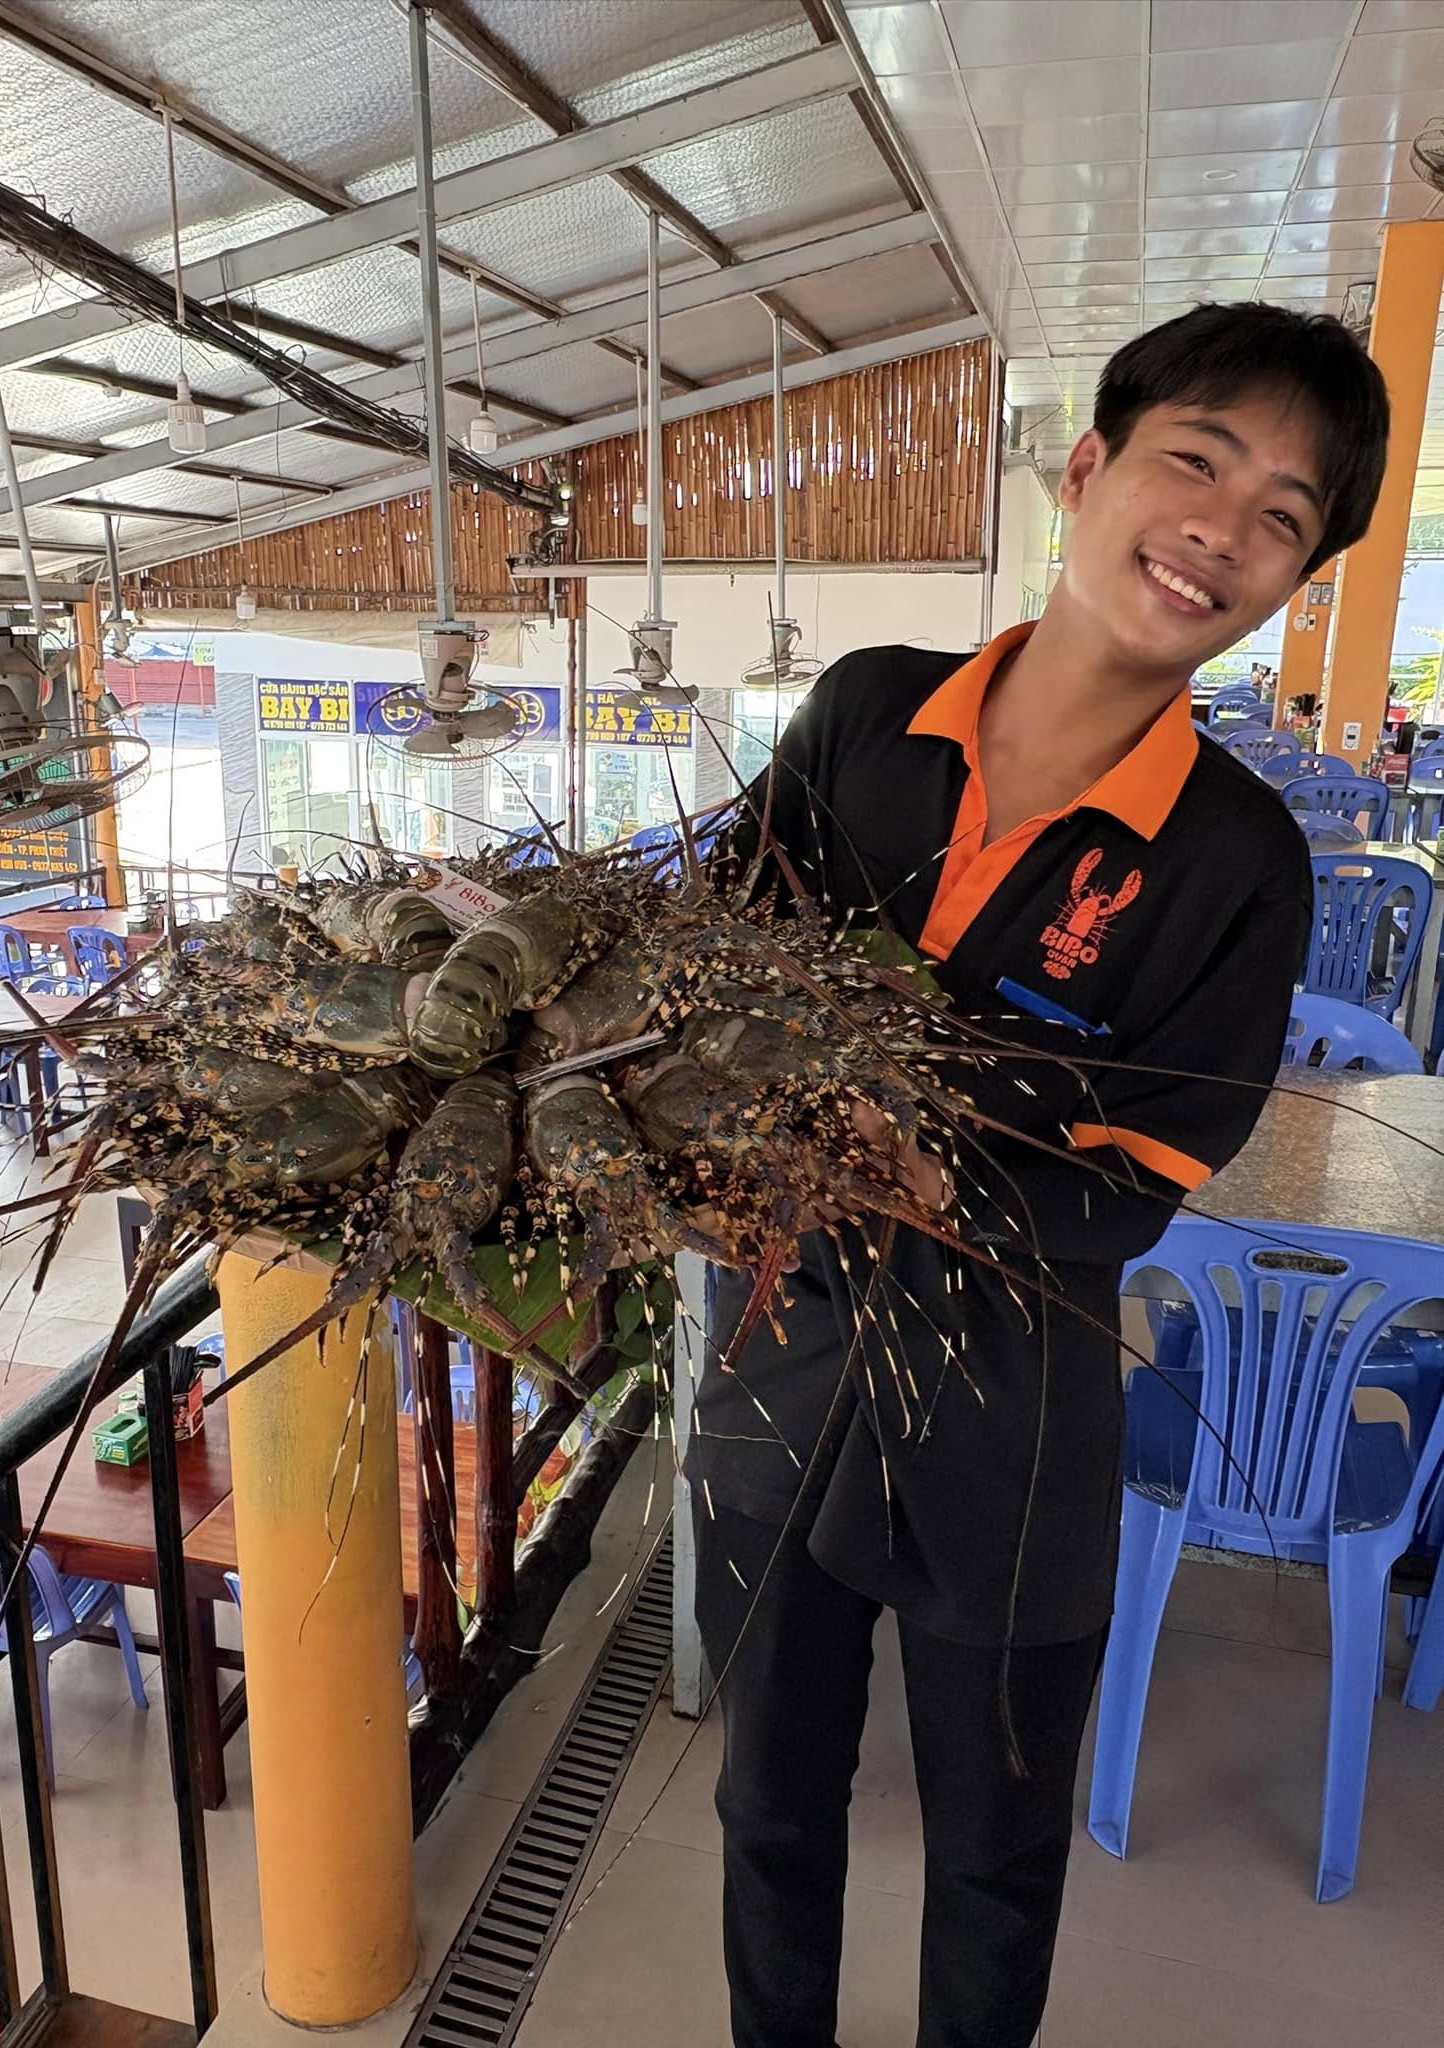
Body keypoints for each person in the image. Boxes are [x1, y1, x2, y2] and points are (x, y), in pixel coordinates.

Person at [685, 302, 1389, 2048]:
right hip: (782, 1353)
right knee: (768, 1805)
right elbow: (706, 963)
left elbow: (1141, 1173)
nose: (1221, 529)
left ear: (1296, 577)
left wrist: (920, 1166)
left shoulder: (1236, 857)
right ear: (1087, 468)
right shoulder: (866, 711)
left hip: (1010, 1407)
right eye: (1195, 462)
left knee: (997, 1864)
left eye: (1283, 516)